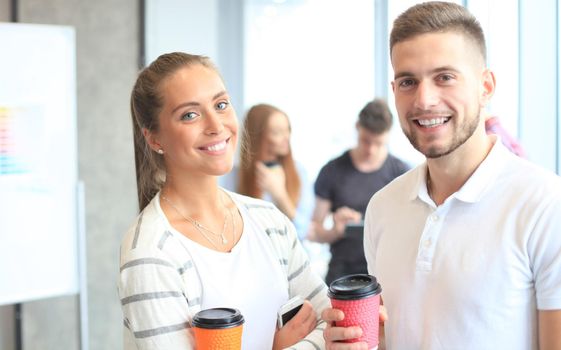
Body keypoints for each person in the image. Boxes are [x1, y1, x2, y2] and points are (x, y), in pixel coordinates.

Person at [322, 2, 561, 349]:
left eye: (444, 77)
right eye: (408, 81)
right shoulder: (383, 207)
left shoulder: (545, 203)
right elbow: (389, 338)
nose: (424, 99)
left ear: (486, 86)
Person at [118, 52, 330, 350]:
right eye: (189, 114)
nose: (216, 125)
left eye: (220, 105)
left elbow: (330, 324)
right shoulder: (152, 252)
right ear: (154, 139)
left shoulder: (268, 221)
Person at [308, 99, 408, 285]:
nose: (370, 150)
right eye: (365, 141)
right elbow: (314, 232)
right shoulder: (332, 171)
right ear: (357, 128)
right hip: (342, 273)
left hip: (386, 273)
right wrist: (336, 231)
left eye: (378, 143)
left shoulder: (401, 173)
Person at [231, 103, 314, 241]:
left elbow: (304, 231)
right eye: (277, 132)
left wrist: (279, 195)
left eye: (288, 130)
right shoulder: (234, 175)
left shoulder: (299, 172)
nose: (286, 137)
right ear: (257, 137)